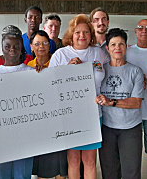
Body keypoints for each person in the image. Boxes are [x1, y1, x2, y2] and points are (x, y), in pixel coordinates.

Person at [49, 14, 109, 179]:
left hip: (93, 114)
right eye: (77, 32)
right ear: (71, 35)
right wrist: (67, 70)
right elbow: (50, 83)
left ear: (91, 35)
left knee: (89, 161)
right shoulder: (61, 55)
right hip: (70, 115)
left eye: (86, 32)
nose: (82, 36)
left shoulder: (99, 54)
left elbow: (117, 65)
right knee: (73, 160)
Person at [95, 28, 144, 178]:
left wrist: (112, 102)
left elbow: (136, 103)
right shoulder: (100, 71)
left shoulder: (135, 71)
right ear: (107, 48)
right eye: (114, 44)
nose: (117, 48)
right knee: (109, 172)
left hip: (130, 129)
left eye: (121, 44)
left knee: (131, 172)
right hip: (107, 128)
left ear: (126, 46)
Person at [0, 28, 34, 179]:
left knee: (22, 174)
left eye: (16, 46)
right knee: (1, 174)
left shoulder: (31, 72)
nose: (12, 50)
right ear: (2, 49)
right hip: (0, 136)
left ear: (22, 49)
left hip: (25, 134)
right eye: (8, 46)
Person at [28, 30, 67, 179]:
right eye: (37, 44)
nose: (41, 47)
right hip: (39, 122)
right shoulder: (27, 67)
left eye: (45, 43)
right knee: (43, 163)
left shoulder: (58, 61)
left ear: (50, 45)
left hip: (59, 119)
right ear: (31, 46)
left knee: (60, 163)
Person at [126, 19, 147, 179]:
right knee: (131, 156)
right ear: (135, 31)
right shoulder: (126, 51)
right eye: (140, 27)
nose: (144, 31)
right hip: (131, 112)